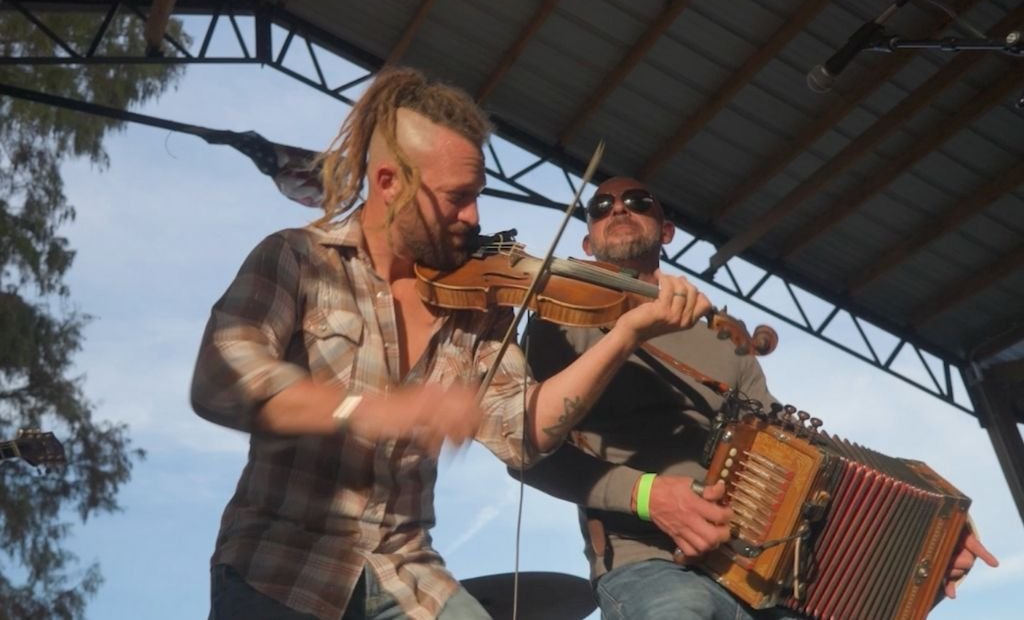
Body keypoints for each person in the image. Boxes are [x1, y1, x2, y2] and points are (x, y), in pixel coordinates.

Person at [190, 68, 711, 620]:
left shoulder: (480, 304)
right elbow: (222, 380)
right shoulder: (298, 259)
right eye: (455, 198)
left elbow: (525, 434)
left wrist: (625, 333)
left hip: (407, 570)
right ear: (389, 183)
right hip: (282, 564)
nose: (474, 217)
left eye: (477, 196)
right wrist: (375, 411)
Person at [515, 176, 999, 619]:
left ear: (667, 233)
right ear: (588, 241)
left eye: (636, 202)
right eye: (601, 207)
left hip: (759, 570)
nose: (617, 209)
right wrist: (649, 497)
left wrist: (931, 540)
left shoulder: (724, 341)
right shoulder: (559, 323)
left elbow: (798, 460)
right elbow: (524, 452)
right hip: (652, 564)